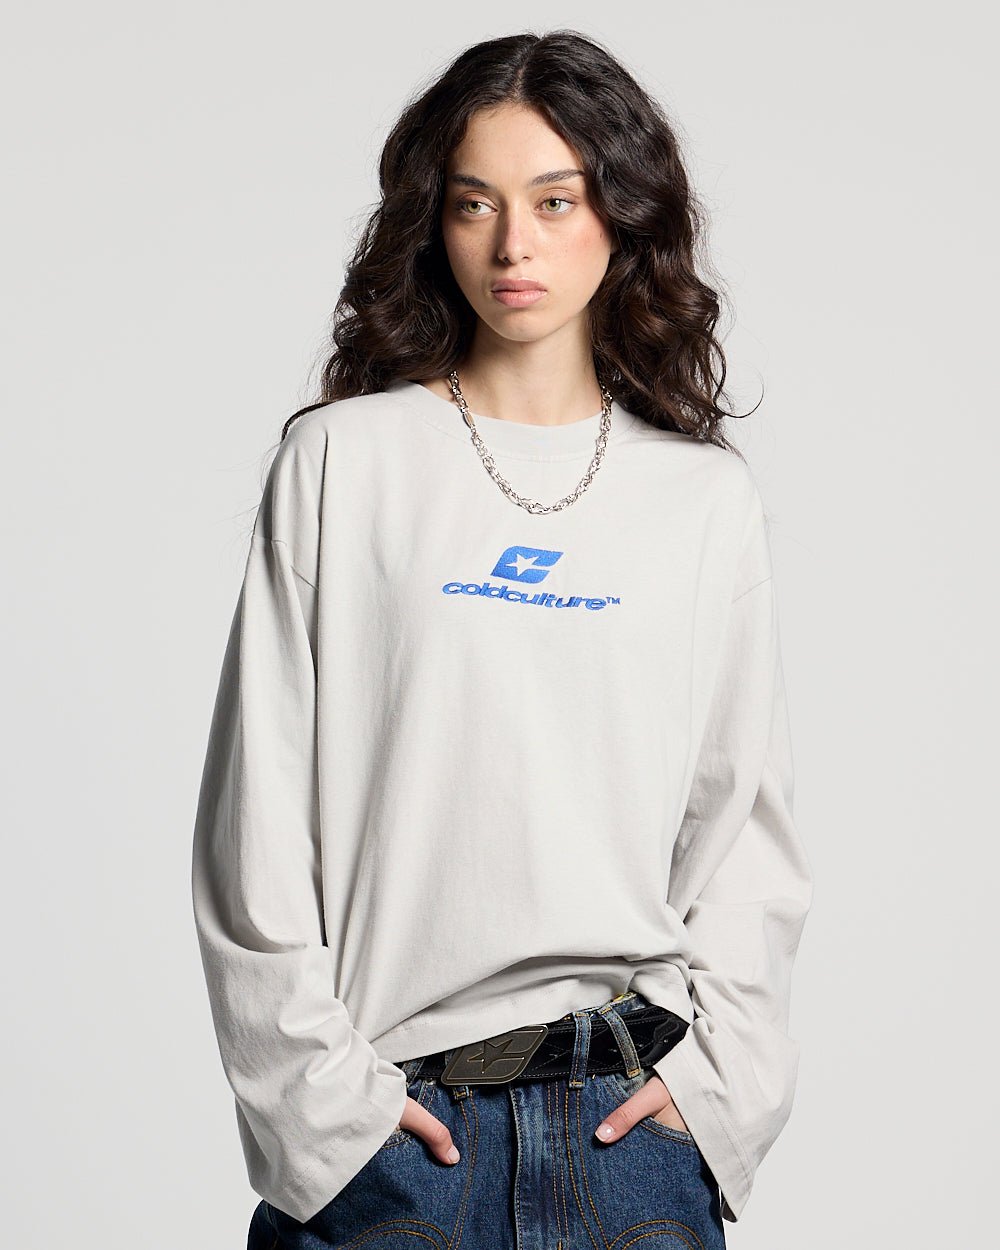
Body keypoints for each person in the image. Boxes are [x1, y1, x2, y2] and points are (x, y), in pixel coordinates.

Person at [191, 28, 813, 1250]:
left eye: (554, 200)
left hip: (629, 1140)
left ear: (621, 215)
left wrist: (715, 1093)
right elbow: (252, 827)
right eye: (475, 202)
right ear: (435, 222)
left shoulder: (701, 499)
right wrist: (326, 1119)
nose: (512, 244)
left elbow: (742, 833)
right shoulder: (343, 462)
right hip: (394, 1142)